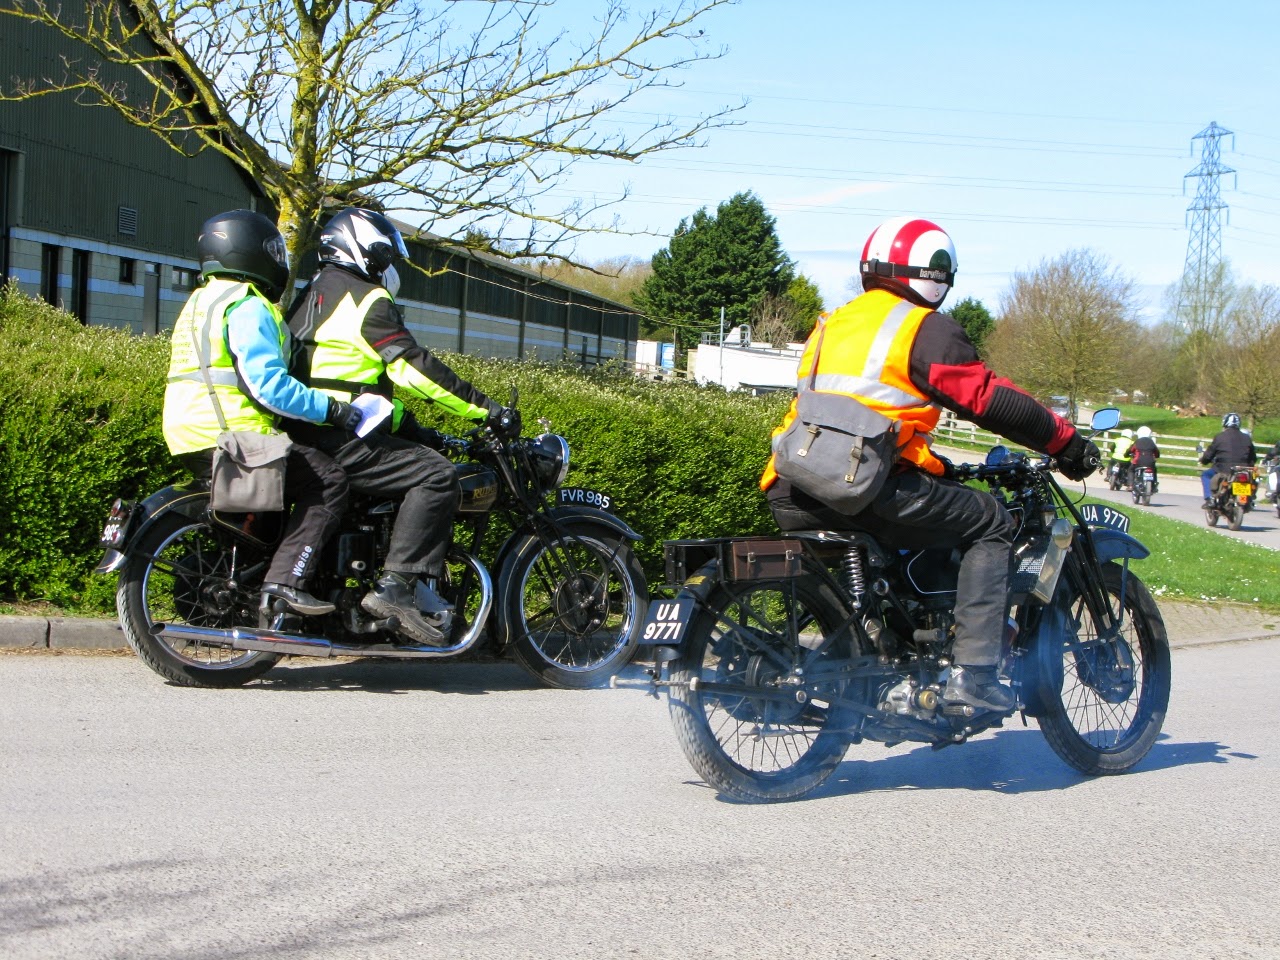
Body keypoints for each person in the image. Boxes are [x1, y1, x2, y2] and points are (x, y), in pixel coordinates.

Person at [762, 216, 1099, 713]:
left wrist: (931, 461)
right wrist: (1066, 442)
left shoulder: (833, 324)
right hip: (866, 484)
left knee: (917, 527)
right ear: (935, 274)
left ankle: (894, 656)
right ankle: (974, 676)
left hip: (791, 483)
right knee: (990, 522)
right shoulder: (923, 329)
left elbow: (860, 415)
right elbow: (986, 400)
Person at [285, 207, 517, 646]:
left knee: (417, 459)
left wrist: (417, 431)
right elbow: (415, 370)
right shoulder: (366, 299)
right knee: (435, 474)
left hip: (307, 425)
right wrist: (486, 409)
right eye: (385, 255)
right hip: (339, 433)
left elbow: (350, 384)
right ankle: (396, 587)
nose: (388, 265)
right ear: (367, 251)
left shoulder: (311, 294)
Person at [162, 210, 359, 619]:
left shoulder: (200, 301)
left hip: (186, 431)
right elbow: (268, 387)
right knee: (328, 481)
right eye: (273, 250)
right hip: (235, 431)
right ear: (251, 252)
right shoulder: (247, 305)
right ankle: (286, 584)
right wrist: (333, 409)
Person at [1199, 413, 1256, 505]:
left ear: (1224, 423)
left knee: (1205, 475)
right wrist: (1249, 464)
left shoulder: (1220, 437)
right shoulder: (1246, 438)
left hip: (1223, 469)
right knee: (1252, 480)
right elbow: (1253, 456)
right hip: (1242, 470)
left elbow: (1209, 454)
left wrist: (1204, 460)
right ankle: (1250, 499)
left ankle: (1210, 499)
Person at [1130, 426, 1160, 491]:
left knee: (1131, 470)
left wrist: (1128, 453)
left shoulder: (1137, 441)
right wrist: (1156, 456)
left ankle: (1131, 485)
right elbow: (1156, 451)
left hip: (1138, 461)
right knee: (1154, 470)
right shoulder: (1151, 442)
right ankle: (1154, 485)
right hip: (1150, 462)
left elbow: (1131, 449)